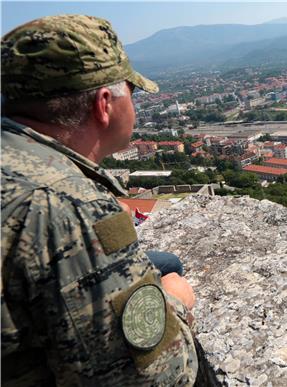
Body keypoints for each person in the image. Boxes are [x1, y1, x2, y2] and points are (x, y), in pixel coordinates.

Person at [1, 15, 198, 385]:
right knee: (171, 276)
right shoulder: (68, 205)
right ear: (103, 104)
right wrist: (176, 304)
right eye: (132, 92)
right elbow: (157, 379)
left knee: (163, 260)